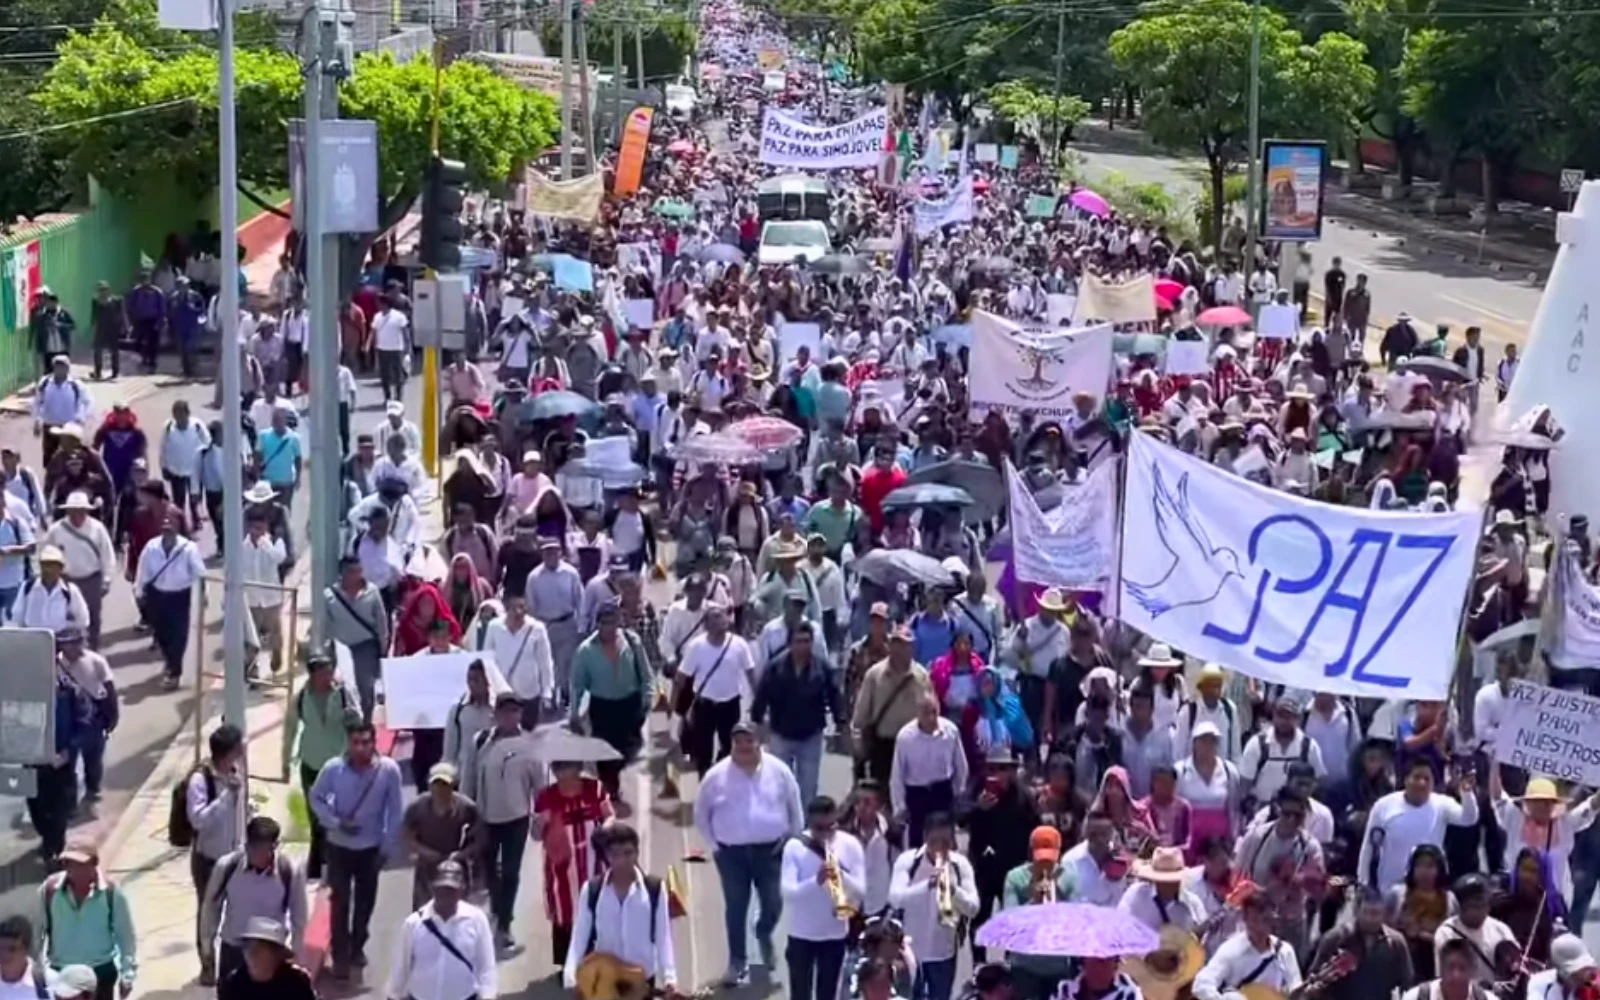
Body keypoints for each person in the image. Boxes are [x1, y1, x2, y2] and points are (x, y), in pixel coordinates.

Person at [694, 722, 804, 986]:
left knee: (773, 902)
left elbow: (794, 805)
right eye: (738, 742)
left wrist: (793, 839)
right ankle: (737, 962)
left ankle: (764, 932)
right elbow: (700, 813)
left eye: (749, 741)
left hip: (771, 851)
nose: (744, 747)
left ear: (759, 742)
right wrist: (715, 846)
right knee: (736, 907)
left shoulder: (779, 771)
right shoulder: (715, 776)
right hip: (731, 855)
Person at [308, 719, 405, 980]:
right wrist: (336, 822)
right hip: (339, 848)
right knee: (339, 903)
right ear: (348, 744)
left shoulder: (388, 771)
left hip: (370, 850)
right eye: (355, 742)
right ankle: (340, 955)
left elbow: (395, 811)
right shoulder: (333, 770)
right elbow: (315, 797)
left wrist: (386, 847)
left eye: (366, 742)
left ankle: (357, 945)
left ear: (374, 743)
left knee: (365, 904)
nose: (360, 748)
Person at [460, 693, 541, 950]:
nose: (510, 716)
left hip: (517, 819)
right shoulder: (481, 741)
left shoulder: (530, 746)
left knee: (510, 872)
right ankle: (497, 910)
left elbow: (540, 786)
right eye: (505, 711)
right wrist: (467, 812)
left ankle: (504, 924)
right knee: (488, 872)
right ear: (496, 714)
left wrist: (541, 817)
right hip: (486, 818)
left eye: (514, 711)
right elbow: (469, 777)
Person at [563, 823, 677, 995]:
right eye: (615, 854)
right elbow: (579, 935)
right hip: (604, 983)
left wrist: (669, 977)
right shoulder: (592, 890)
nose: (621, 860)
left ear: (637, 853)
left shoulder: (654, 888)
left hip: (641, 981)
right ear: (607, 856)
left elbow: (663, 936)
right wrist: (570, 974)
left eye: (628, 853)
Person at [198, 816, 307, 986]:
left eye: (264, 850)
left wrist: (297, 954)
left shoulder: (290, 870)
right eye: (254, 849)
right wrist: (207, 944)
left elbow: (299, 916)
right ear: (246, 844)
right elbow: (211, 907)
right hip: (234, 949)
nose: (258, 855)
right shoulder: (227, 866)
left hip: (270, 952)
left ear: (275, 846)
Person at [282, 652, 358, 881]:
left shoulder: (343, 694)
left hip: (339, 764)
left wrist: (351, 717)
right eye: (324, 672)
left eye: (330, 671)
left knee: (337, 814)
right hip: (312, 764)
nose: (328, 677)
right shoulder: (301, 698)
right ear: (313, 675)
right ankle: (317, 865)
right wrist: (285, 762)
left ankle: (338, 862)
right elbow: (290, 731)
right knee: (316, 816)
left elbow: (358, 721)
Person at [782, 795, 866, 1000]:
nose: (827, 834)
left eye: (832, 827)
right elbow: (788, 891)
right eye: (820, 828)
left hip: (834, 934)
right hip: (802, 934)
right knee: (800, 994)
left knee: (827, 995)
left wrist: (841, 875)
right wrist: (816, 882)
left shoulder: (850, 845)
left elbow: (861, 890)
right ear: (810, 824)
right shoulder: (795, 847)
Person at [888, 812, 978, 1000]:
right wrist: (925, 886)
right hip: (911, 951)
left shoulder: (960, 865)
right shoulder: (908, 861)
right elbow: (895, 898)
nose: (939, 848)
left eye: (945, 842)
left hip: (944, 952)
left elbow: (973, 907)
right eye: (933, 841)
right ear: (924, 838)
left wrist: (953, 890)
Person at [751, 619, 842, 804]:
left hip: (811, 736)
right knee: (779, 786)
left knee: (808, 788)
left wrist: (841, 722)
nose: (802, 646)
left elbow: (834, 696)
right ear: (790, 643)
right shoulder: (775, 667)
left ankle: (804, 829)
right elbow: (762, 695)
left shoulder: (822, 667)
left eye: (806, 641)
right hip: (781, 734)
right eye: (798, 641)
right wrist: (757, 721)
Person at [569, 602, 652, 803]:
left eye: (613, 622)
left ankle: (613, 776)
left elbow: (646, 673)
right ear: (597, 624)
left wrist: (647, 698)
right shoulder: (586, 651)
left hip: (629, 705)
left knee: (629, 749)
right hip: (602, 708)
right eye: (604, 623)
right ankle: (610, 788)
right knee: (605, 752)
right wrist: (574, 714)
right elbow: (577, 685)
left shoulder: (632, 641)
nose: (609, 627)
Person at [1356, 757, 1478, 891]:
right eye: (1417, 777)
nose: (1422, 783)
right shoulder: (1384, 805)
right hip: (1389, 888)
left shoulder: (1442, 804)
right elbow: (1369, 846)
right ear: (1405, 780)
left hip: (1427, 890)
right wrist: (1363, 883)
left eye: (1427, 779)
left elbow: (1469, 818)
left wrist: (1467, 793)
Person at [38, 838, 137, 1000]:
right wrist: (39, 973)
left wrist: (128, 974)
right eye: (68, 863)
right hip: (63, 976)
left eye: (80, 864)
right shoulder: (50, 889)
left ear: (94, 863)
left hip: (100, 973)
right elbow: (38, 935)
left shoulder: (111, 892)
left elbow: (126, 936)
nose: (73, 869)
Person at [385, 861, 496, 1000]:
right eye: (442, 889)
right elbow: (400, 968)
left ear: (462, 889)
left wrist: (487, 996)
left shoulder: (476, 920)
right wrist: (394, 995)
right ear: (432, 888)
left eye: (452, 890)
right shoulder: (414, 924)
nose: (446, 895)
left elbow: (486, 966)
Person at [186, 724, 245, 983]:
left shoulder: (236, 773)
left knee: (237, 911)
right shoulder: (201, 781)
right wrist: (225, 798)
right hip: (208, 860)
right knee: (209, 914)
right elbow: (198, 820)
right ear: (228, 752)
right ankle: (208, 963)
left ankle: (234, 962)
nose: (243, 749)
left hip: (235, 856)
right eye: (239, 746)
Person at [677, 599, 756, 776]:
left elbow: (750, 673)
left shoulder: (739, 644)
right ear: (706, 625)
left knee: (729, 747)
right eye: (714, 618)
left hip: (730, 704)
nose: (720, 621)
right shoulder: (696, 646)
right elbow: (681, 677)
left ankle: (724, 777)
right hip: (704, 705)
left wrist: (757, 702)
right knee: (703, 750)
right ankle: (705, 781)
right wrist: (675, 708)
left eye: (722, 617)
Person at [852, 624, 933, 784]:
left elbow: (930, 711)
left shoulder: (921, 676)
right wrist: (859, 748)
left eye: (905, 644)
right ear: (889, 646)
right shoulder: (874, 675)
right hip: (883, 747)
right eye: (896, 644)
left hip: (913, 746)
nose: (900, 649)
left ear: (912, 648)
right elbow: (861, 716)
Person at [1191, 886, 1304, 1000]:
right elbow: (1201, 985)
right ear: (1245, 918)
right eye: (1255, 919)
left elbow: (1296, 990)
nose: (1260, 926)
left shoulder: (1284, 951)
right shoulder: (1231, 950)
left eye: (1266, 919)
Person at [134, 513, 205, 688]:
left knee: (178, 634)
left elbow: (200, 573)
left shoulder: (188, 548)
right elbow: (142, 570)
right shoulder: (152, 547)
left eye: (171, 525)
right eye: (164, 525)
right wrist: (139, 590)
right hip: (156, 594)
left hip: (179, 596)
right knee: (161, 633)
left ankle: (174, 670)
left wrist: (204, 595)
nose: (167, 528)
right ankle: (169, 660)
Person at [401, 763, 483, 911]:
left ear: (453, 786)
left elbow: (479, 838)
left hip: (454, 868)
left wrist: (461, 854)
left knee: (456, 912)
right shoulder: (417, 807)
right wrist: (424, 851)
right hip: (426, 868)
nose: (440, 790)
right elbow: (407, 836)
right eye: (435, 785)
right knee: (424, 913)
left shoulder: (466, 807)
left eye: (445, 785)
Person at [891, 694, 970, 849]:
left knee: (944, 838)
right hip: (917, 793)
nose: (931, 717)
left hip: (942, 791)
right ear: (917, 713)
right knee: (917, 842)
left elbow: (960, 764)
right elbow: (897, 773)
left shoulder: (950, 731)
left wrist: (957, 792)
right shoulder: (905, 737)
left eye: (934, 711)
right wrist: (899, 806)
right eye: (926, 712)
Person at [42, 493, 115, 650]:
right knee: (65, 617)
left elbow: (106, 554)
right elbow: (45, 553)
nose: (77, 515)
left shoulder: (97, 528)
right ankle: (66, 651)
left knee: (92, 617)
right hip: (65, 579)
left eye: (81, 511)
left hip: (91, 579)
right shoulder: (56, 530)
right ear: (67, 511)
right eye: (73, 511)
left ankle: (92, 650)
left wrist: (107, 578)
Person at [324, 557, 390, 720]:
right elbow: (325, 625)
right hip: (341, 649)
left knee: (366, 688)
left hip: (365, 647)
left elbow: (381, 621)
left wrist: (383, 647)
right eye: (352, 572)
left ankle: (366, 723)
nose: (357, 576)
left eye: (359, 571)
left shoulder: (372, 591)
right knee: (344, 688)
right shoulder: (329, 596)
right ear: (342, 574)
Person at [1433, 874, 1514, 987]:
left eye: (1481, 901)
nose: (1477, 908)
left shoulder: (1501, 930)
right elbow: (1444, 978)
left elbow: (1515, 972)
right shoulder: (1446, 933)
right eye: (1472, 904)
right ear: (1460, 906)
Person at [216, 917, 317, 1000]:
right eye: (248, 946)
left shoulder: (297, 984)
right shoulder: (235, 984)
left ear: (277, 954)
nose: (252, 953)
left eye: (260, 947)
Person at [1119, 846, 1207, 932]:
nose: (1168, 885)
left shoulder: (1193, 904)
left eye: (1172, 881)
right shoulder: (1136, 894)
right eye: (1163, 881)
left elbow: (1202, 937)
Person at [10, 545, 88, 634]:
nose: (47, 569)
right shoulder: (28, 587)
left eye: (52, 565)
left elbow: (83, 619)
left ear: (60, 568)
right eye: (45, 565)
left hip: (60, 639)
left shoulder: (70, 591)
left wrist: (65, 626)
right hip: (33, 638)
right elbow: (17, 616)